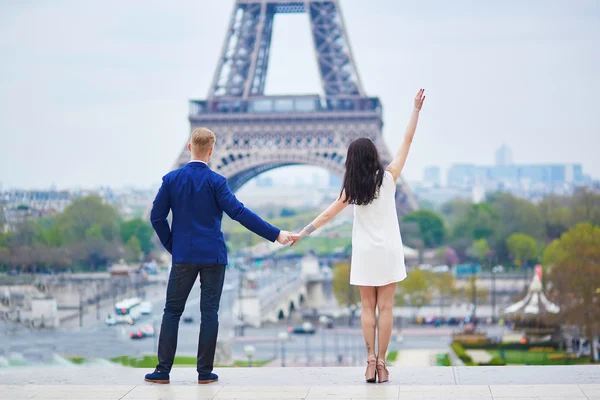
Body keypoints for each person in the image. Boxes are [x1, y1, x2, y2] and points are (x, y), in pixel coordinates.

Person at [291, 89, 426, 383]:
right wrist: (415, 110)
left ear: (352, 161)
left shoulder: (351, 190)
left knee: (367, 308)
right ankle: (382, 363)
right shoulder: (390, 177)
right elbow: (406, 142)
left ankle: (368, 361)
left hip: (365, 252)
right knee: (386, 308)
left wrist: (303, 232)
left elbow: (327, 215)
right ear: (374, 157)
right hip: (389, 250)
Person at [145, 128, 293, 384]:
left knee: (172, 312)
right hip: (213, 255)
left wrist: (173, 246)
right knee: (209, 313)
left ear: (190, 147)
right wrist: (275, 234)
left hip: (184, 256)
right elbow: (240, 213)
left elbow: (156, 217)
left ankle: (162, 370)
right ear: (211, 151)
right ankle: (204, 372)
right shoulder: (217, 182)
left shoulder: (171, 180)